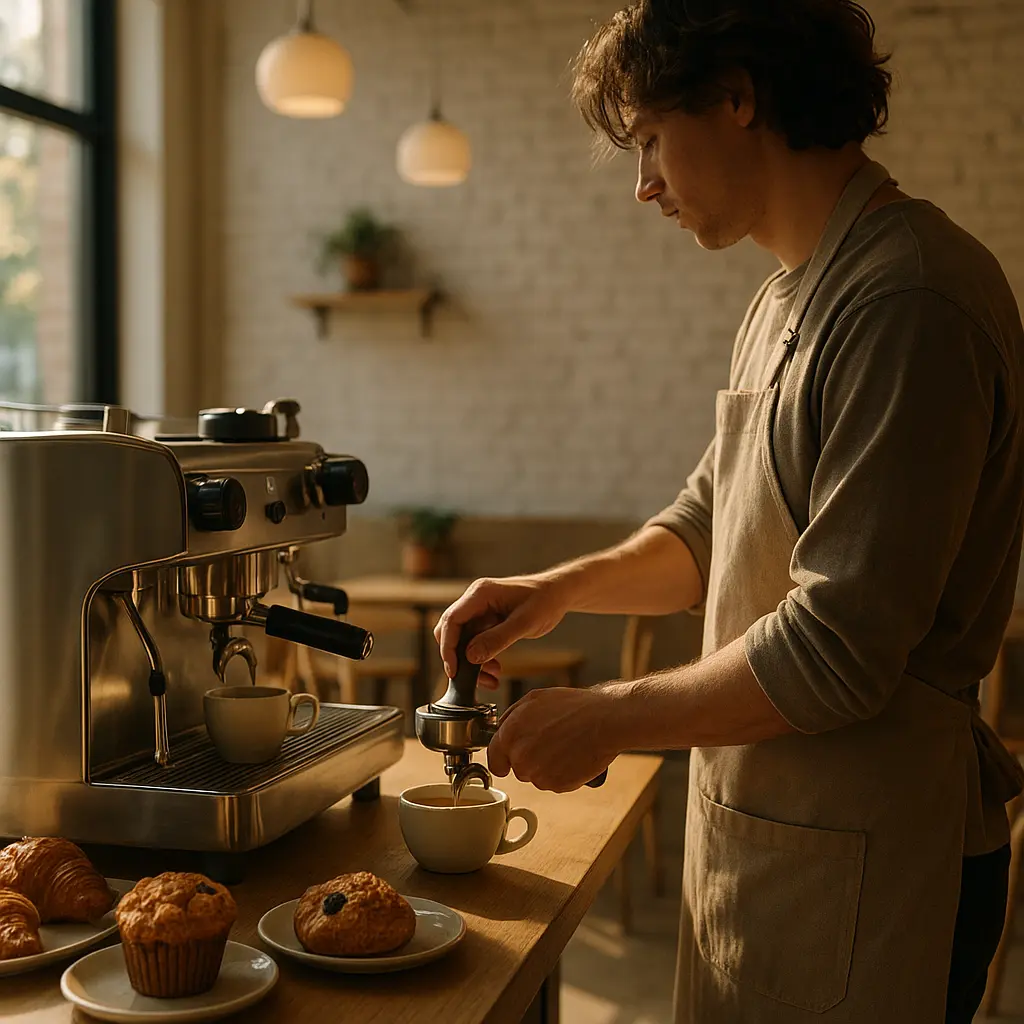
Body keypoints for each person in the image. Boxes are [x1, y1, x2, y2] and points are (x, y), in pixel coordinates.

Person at [433, 1, 1024, 1021]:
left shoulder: (907, 300)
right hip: (767, 830)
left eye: (653, 137)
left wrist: (607, 716)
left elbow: (838, 647)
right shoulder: (785, 296)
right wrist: (552, 591)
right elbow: (712, 526)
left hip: (877, 857)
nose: (643, 183)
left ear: (738, 96)